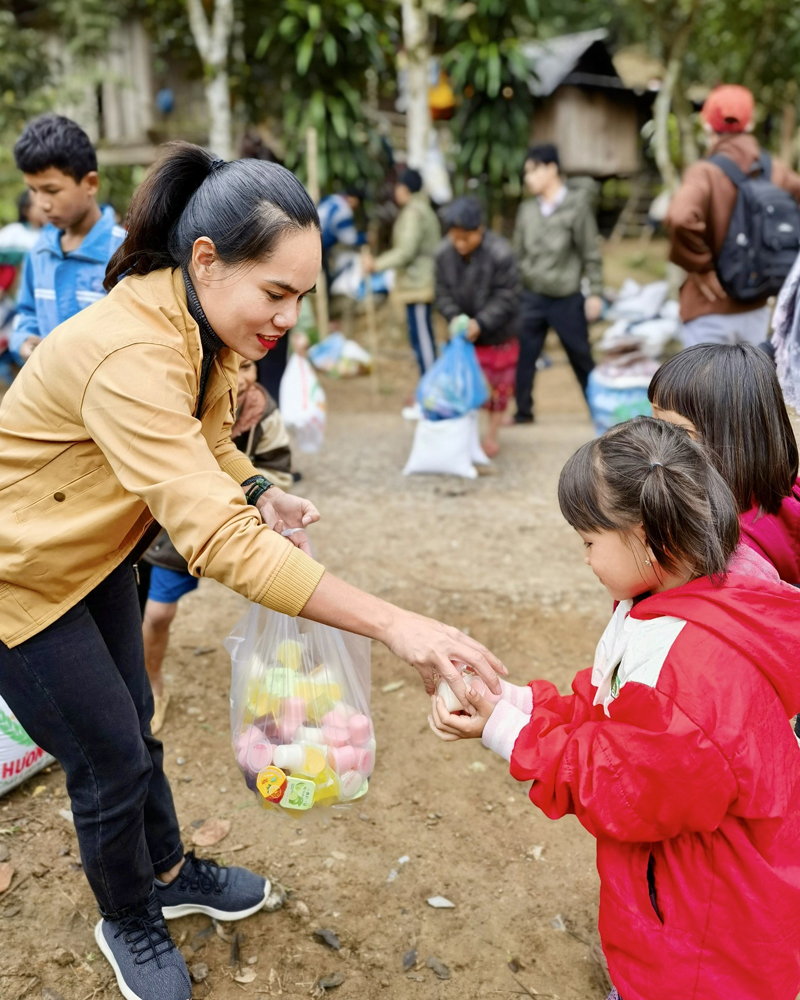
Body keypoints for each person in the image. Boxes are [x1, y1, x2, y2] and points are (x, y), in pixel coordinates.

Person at [0, 143, 505, 1000]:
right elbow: (217, 542)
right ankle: (127, 917)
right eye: (276, 292)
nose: (287, 318)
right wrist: (395, 625)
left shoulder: (206, 326)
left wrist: (258, 486)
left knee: (134, 721)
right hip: (20, 575)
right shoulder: (131, 350)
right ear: (206, 260)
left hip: (88, 558)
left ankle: (168, 870)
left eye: (301, 297)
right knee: (109, 757)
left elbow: (203, 439)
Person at [429, 416, 800, 1000]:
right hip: (691, 898)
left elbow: (621, 788)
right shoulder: (679, 595)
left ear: (652, 539)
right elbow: (610, 711)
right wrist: (517, 702)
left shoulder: (695, 675)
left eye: (589, 541)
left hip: (704, 935)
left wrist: (505, 730)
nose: (584, 558)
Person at [143, 357, 294, 734]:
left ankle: (279, 687)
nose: (241, 379)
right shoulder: (183, 404)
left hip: (244, 521)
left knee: (282, 600)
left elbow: (277, 473)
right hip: (179, 525)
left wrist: (246, 505)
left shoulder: (264, 413)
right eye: (232, 368)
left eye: (248, 367)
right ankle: (153, 685)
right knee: (157, 614)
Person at [648, 343, 800, 585]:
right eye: (654, 420)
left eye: (678, 430)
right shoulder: (785, 494)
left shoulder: (721, 545)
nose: (656, 437)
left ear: (734, 438)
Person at [667, 84, 800, 347]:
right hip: (757, 307)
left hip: (708, 310)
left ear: (707, 126)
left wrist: (702, 268)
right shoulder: (776, 171)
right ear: (749, 124)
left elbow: (680, 217)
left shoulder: (704, 172)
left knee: (701, 388)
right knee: (750, 387)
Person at [9, 113, 126, 363]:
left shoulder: (126, 253)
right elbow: (27, 314)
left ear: (91, 183)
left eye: (52, 190)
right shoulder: (39, 252)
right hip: (48, 395)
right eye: (33, 190)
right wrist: (25, 343)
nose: (42, 204)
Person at [513, 143, 603, 423]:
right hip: (532, 295)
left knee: (580, 355)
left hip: (566, 296)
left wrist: (596, 292)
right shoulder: (527, 210)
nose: (528, 177)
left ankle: (599, 411)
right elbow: (517, 254)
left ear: (551, 169)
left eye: (533, 170)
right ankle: (523, 412)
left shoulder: (577, 206)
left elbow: (591, 252)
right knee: (524, 355)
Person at [435, 196, 521, 457]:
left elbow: (507, 296)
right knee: (462, 390)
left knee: (498, 389)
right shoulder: (443, 254)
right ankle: (465, 436)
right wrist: (453, 317)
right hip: (462, 338)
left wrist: (481, 323)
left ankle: (491, 436)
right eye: (455, 237)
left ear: (480, 230)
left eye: (466, 237)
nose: (460, 244)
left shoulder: (501, 253)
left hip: (497, 335)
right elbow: (442, 293)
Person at [363, 167, 441, 375]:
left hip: (419, 282)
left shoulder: (414, 212)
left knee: (422, 338)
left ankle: (431, 385)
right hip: (416, 282)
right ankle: (429, 384)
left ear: (405, 188)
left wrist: (376, 264)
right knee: (419, 335)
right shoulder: (418, 209)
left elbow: (406, 251)